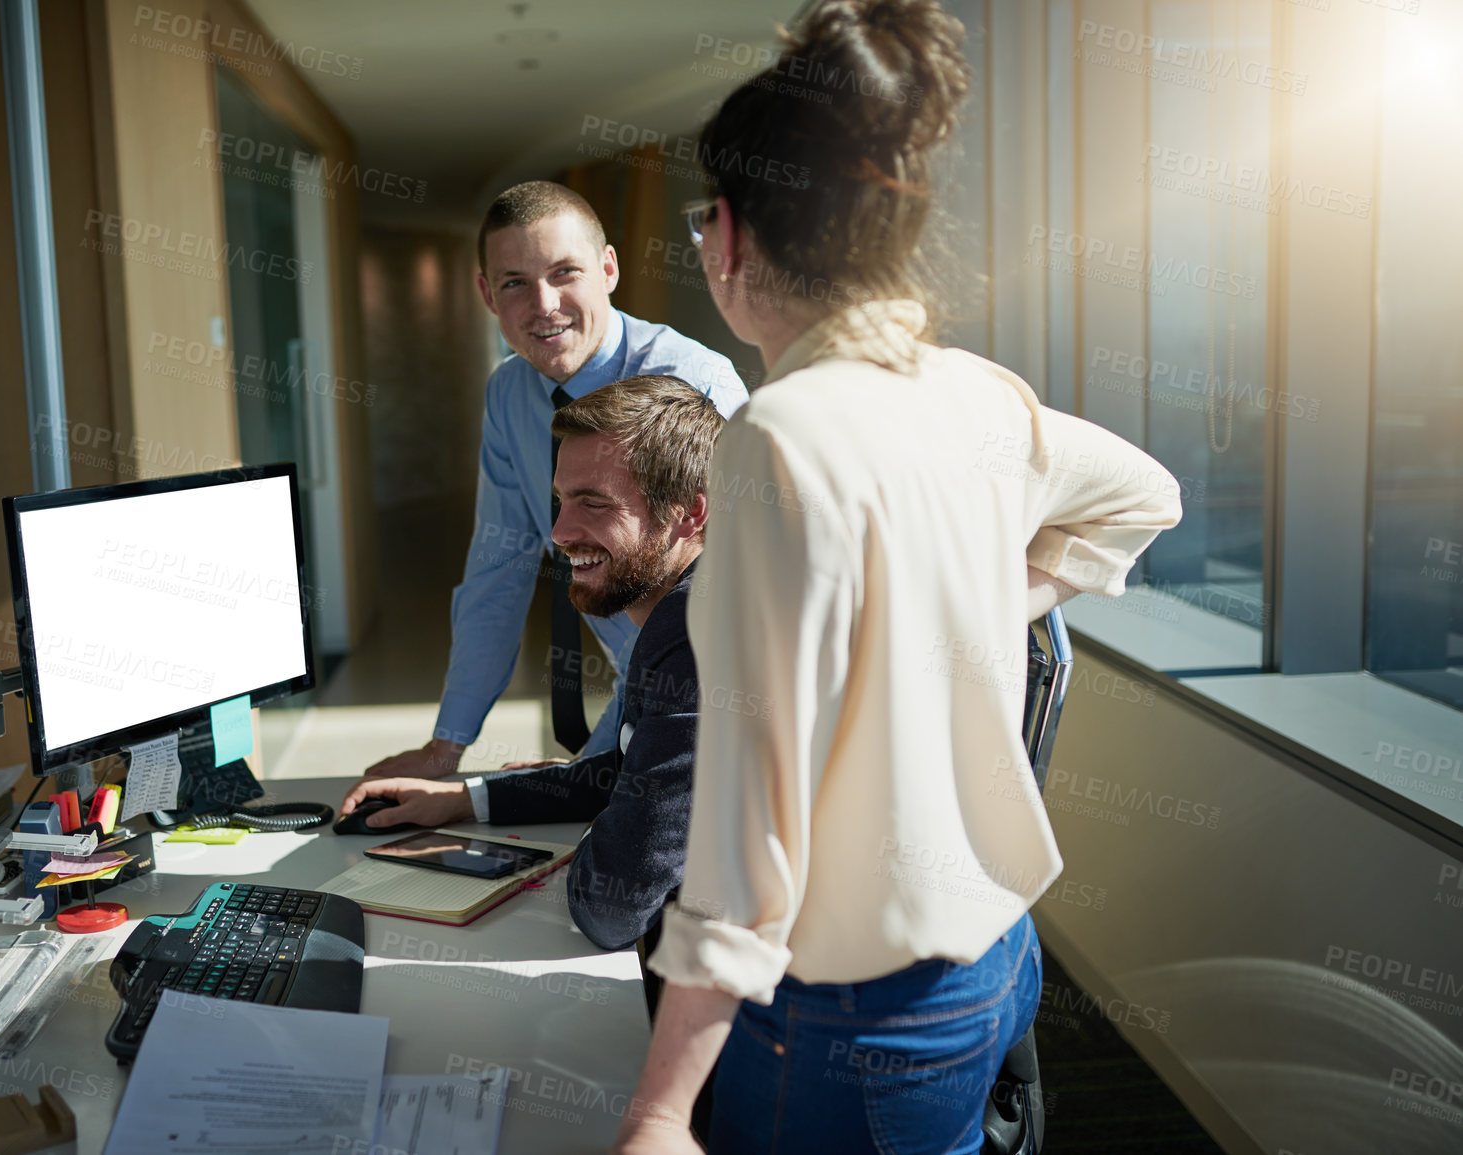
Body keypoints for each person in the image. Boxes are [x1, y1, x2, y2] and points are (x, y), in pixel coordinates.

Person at [609, 3, 1184, 1153]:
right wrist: (979, 609)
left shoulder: (779, 438)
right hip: (998, 958)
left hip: (853, 1014)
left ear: (725, 236)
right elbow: (1145, 496)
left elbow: (745, 838)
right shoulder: (976, 393)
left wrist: (662, 1110)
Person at [362, 182, 749, 782]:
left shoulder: (690, 384)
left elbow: (728, 600)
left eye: (565, 272)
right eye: (515, 282)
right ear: (488, 295)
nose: (543, 304)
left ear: (608, 268)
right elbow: (499, 569)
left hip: (708, 706)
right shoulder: (509, 393)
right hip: (635, 691)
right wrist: (447, 748)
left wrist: (596, 771)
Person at [342, 375, 722, 954]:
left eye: (594, 503)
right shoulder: (693, 603)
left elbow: (610, 907)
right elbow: (622, 776)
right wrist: (461, 799)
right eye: (561, 500)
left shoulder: (695, 632)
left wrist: (605, 827)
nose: (560, 533)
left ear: (689, 513)